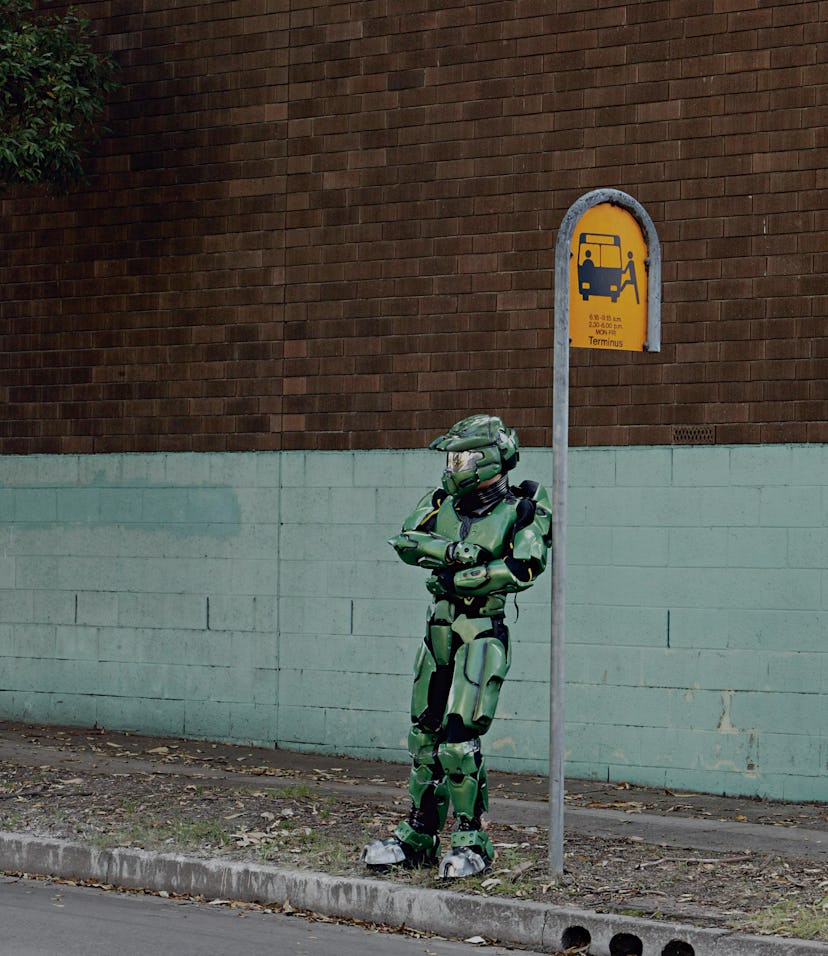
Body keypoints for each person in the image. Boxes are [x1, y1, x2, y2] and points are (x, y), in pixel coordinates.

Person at [361, 414, 551, 878]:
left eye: (462, 456)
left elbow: (528, 562)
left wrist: (477, 575)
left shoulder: (522, 507)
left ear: (487, 460)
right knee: (423, 736)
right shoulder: (443, 501)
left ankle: (471, 839)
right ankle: (420, 834)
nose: (454, 465)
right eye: (452, 457)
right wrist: (450, 554)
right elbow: (405, 539)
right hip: (440, 625)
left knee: (459, 740)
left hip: (481, 629)